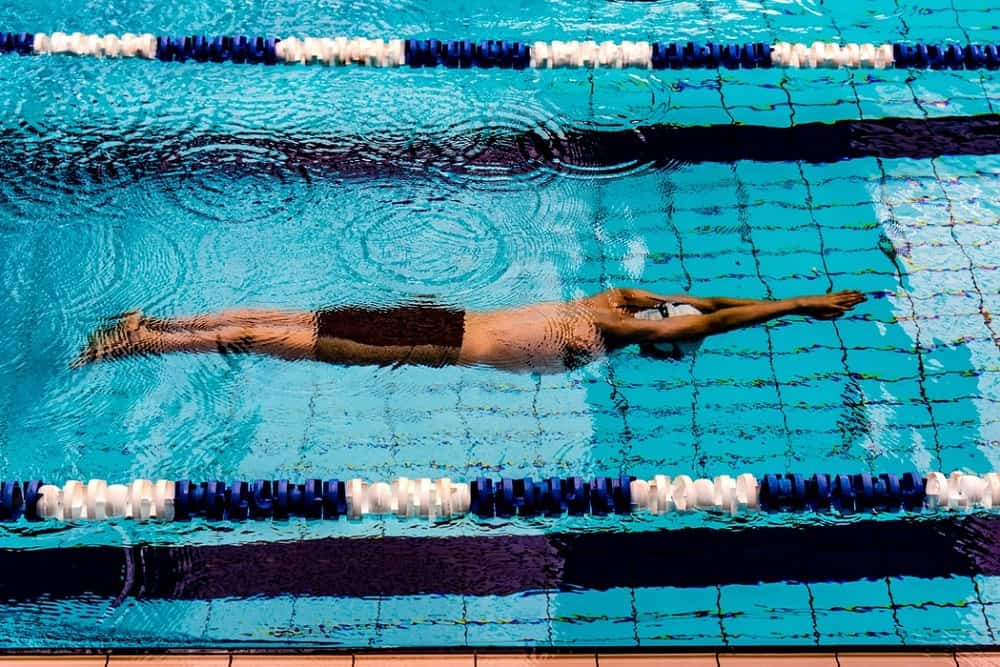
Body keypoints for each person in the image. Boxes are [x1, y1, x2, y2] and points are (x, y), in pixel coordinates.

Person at [73, 288, 866, 373]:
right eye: (673, 345)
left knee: (286, 318)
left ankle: (149, 322)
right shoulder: (606, 338)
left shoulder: (609, 300)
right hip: (433, 343)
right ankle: (138, 341)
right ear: (653, 338)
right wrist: (798, 306)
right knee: (276, 338)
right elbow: (718, 320)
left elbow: (704, 305)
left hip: (439, 315)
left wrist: (798, 295)